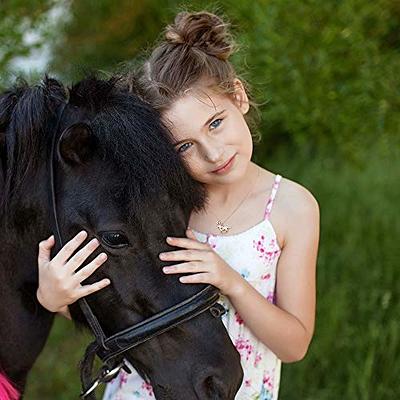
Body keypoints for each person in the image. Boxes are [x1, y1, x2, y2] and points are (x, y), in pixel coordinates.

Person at [36, 10, 320, 400]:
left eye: (215, 122)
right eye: (185, 146)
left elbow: (295, 345)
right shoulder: (161, 202)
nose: (213, 152)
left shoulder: (291, 208)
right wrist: (55, 300)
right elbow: (123, 302)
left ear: (238, 96)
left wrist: (231, 282)